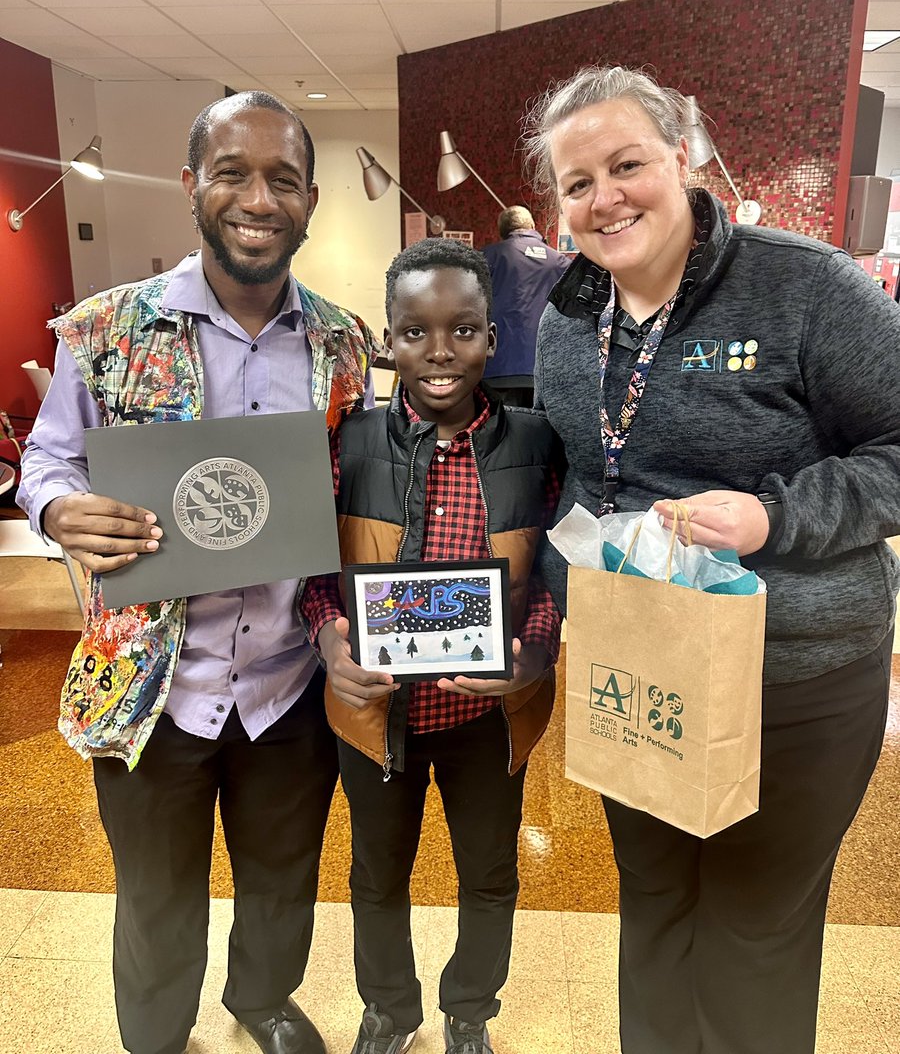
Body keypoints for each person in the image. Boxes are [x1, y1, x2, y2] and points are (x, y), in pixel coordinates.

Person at [523, 65, 900, 1054]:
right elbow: (572, 473)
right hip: (641, 666)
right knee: (652, 907)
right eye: (576, 181)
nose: (605, 198)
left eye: (627, 164)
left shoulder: (806, 288)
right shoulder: (566, 316)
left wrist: (776, 519)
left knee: (753, 928)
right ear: (556, 204)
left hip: (798, 677)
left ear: (684, 156)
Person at [17, 91, 379, 1054]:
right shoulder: (105, 332)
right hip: (149, 686)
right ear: (191, 188)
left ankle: (261, 1000)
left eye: (283, 179)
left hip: (290, 680)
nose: (258, 197)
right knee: (155, 893)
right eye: (232, 173)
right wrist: (58, 508)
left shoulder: (345, 345)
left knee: (282, 874)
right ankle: (154, 1032)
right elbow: (47, 460)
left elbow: (361, 501)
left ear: (309, 204)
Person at [300, 239, 562, 1054]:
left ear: (492, 338)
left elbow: (556, 571)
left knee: (490, 876)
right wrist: (329, 638)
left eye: (464, 330)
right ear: (389, 339)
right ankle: (388, 1010)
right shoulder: (347, 445)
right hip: (377, 714)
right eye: (415, 331)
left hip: (491, 714)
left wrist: (534, 651)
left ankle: (470, 1013)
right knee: (377, 876)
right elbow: (314, 571)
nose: (440, 352)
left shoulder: (539, 445)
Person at [481, 205, 570, 406]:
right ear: (531, 225)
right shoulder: (561, 262)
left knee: (503, 432)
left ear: (503, 232)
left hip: (498, 367)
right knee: (540, 432)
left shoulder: (487, 257)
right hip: (547, 367)